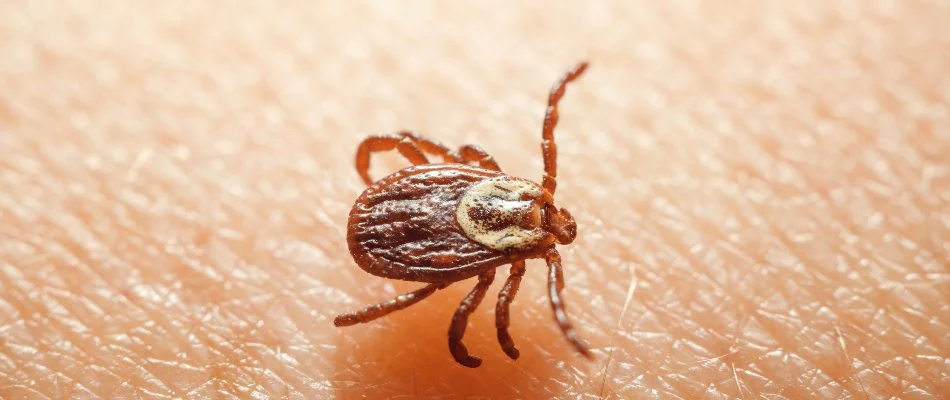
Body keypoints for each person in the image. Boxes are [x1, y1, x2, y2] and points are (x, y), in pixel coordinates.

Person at [2, 2, 946, 398]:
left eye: (541, 228)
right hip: (408, 233)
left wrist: (392, 177)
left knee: (446, 284)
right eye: (542, 221)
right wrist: (464, 325)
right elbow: (461, 315)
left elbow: (426, 181)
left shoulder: (491, 185)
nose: (549, 224)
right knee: (450, 301)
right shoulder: (502, 232)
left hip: (408, 222)